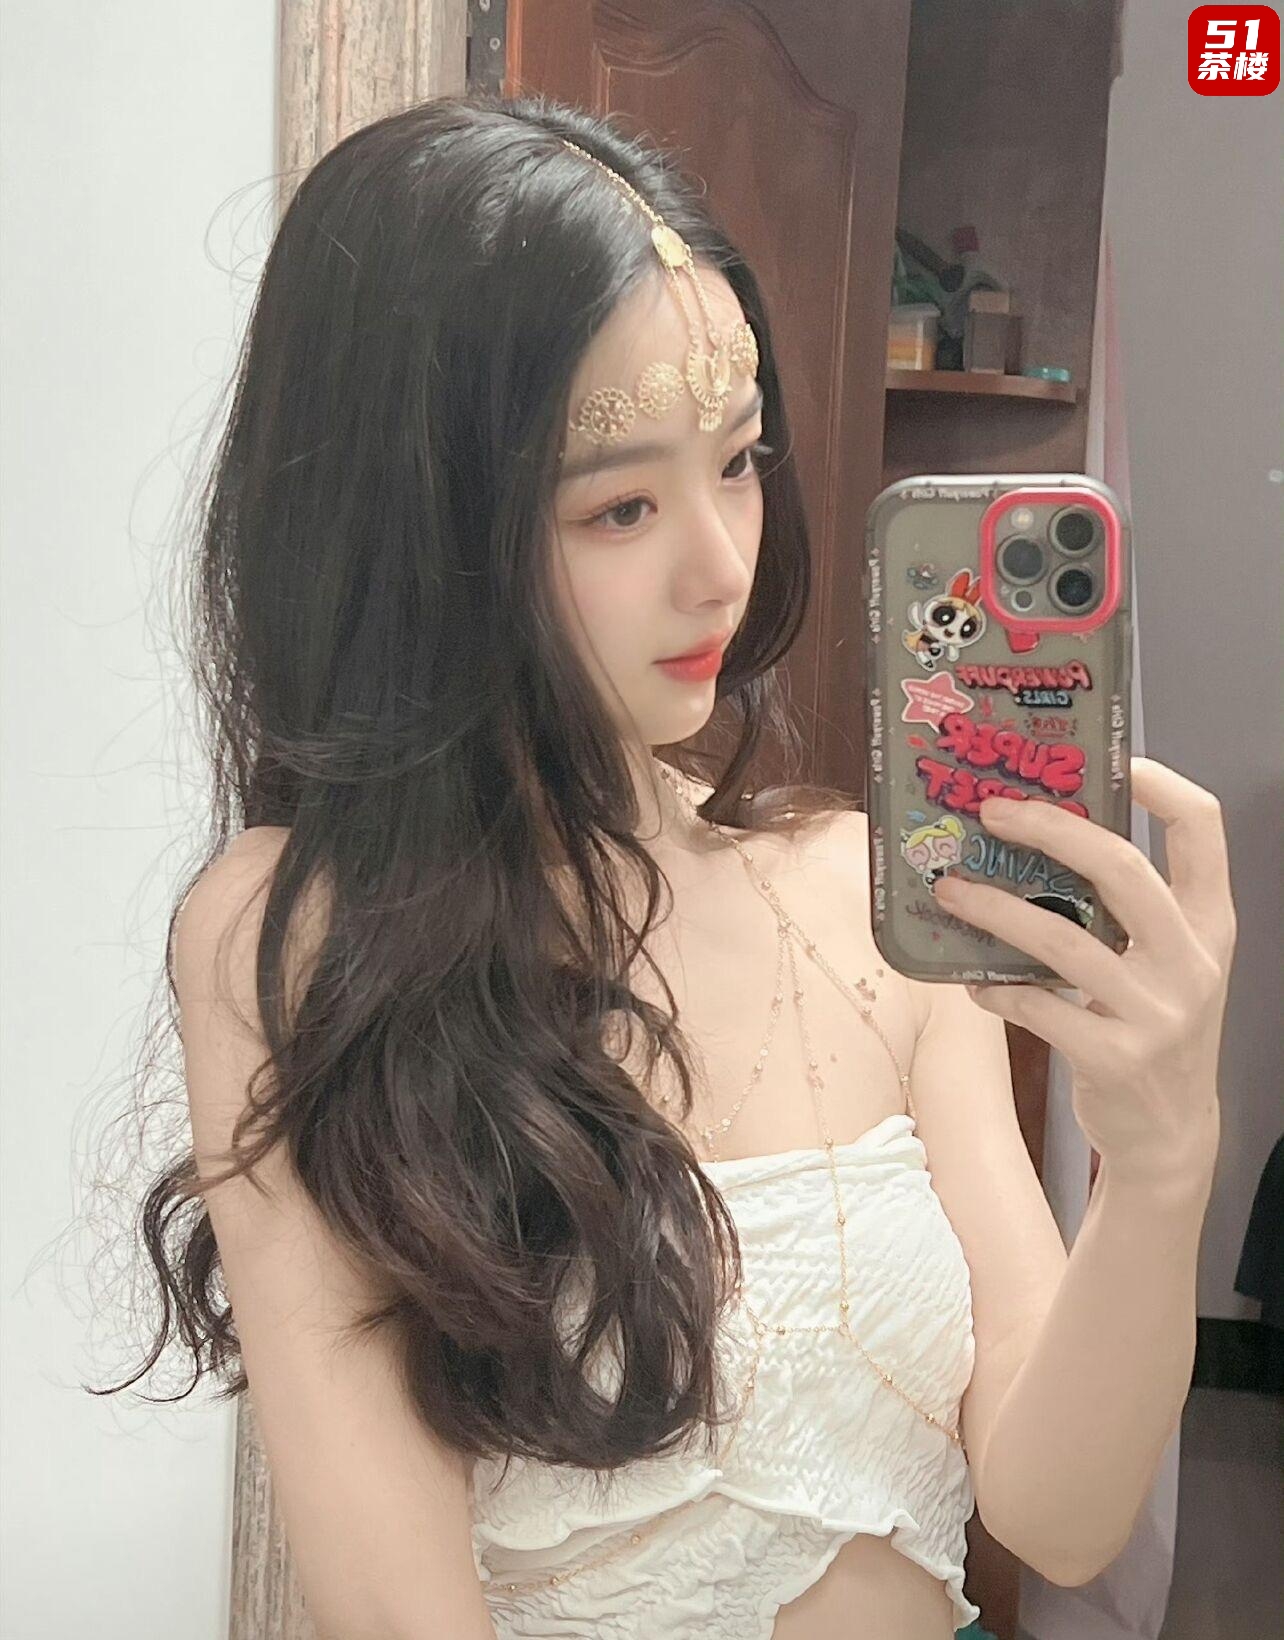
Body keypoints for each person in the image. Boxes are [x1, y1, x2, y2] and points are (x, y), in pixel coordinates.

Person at [94, 93, 1236, 1640]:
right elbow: (395, 1605)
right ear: (425, 532)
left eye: (743, 462)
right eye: (622, 504)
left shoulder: (863, 890)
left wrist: (1161, 1167)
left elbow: (1059, 1510)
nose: (721, 566)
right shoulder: (298, 936)